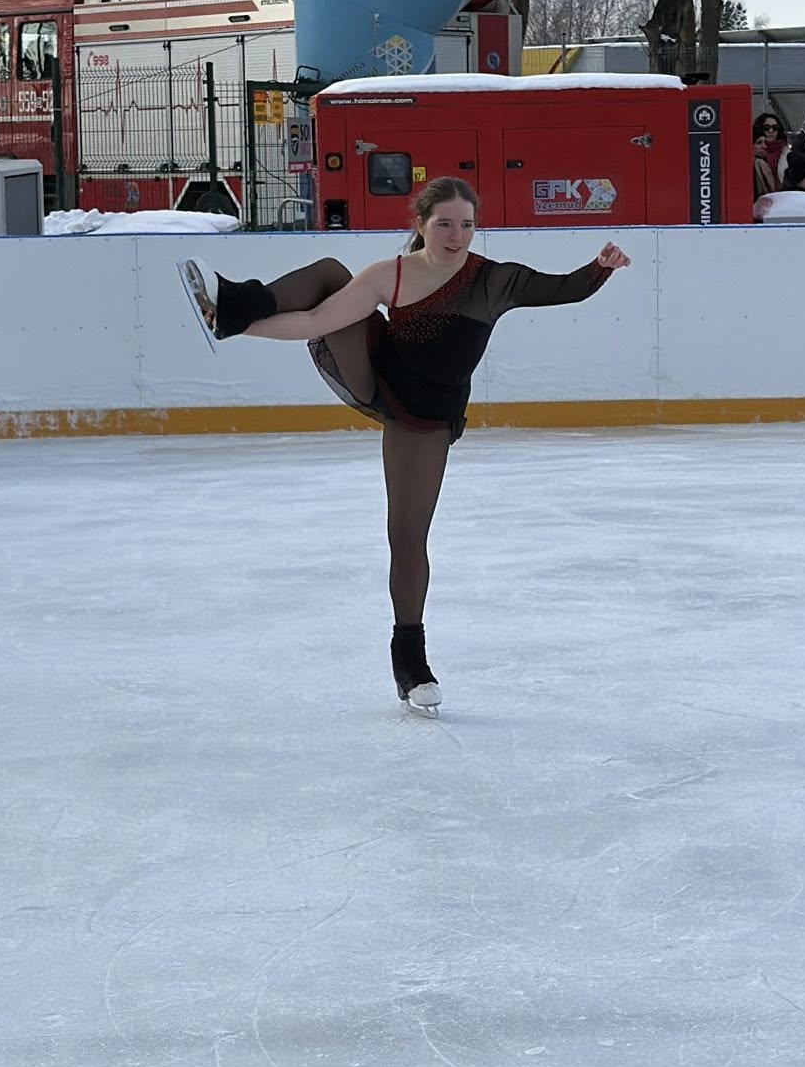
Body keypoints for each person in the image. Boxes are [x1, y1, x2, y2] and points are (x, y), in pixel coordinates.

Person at [179, 178, 631, 713]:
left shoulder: (493, 279)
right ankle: (233, 304)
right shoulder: (387, 275)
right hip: (377, 375)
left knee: (409, 534)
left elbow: (565, 288)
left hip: (428, 416)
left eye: (466, 224)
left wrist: (600, 266)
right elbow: (315, 321)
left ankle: (409, 662)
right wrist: (240, 328)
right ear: (421, 224)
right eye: (444, 224)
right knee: (328, 273)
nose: (456, 235)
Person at [752, 111, 788, 193]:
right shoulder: (755, 155)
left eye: (775, 127)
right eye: (766, 127)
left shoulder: (786, 153)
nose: (771, 130)